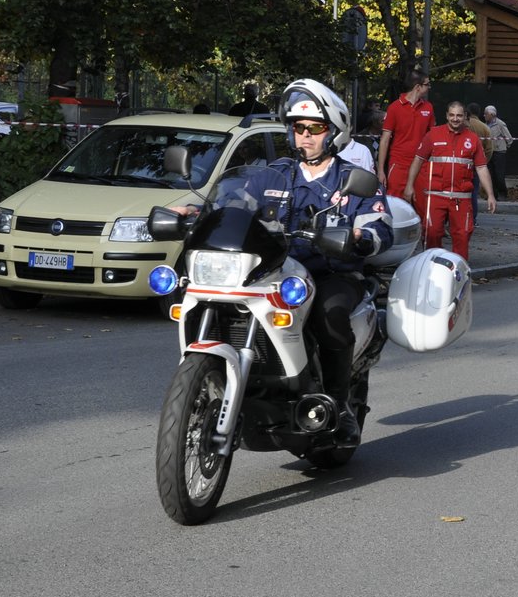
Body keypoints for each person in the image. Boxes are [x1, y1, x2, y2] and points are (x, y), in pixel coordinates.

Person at [178, 79, 392, 444]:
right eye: (298, 128)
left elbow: (379, 224)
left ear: (334, 132)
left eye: (314, 128)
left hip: (331, 273)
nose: (305, 136)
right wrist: (196, 213)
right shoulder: (273, 174)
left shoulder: (351, 180)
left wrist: (360, 236)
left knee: (330, 315)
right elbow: (233, 205)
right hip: (275, 271)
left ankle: (339, 406)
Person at [403, 100, 496, 259]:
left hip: (461, 198)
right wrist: (409, 185)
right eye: (452, 115)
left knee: (462, 236)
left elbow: (481, 167)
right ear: (446, 116)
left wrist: (490, 195)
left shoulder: (473, 139)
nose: (455, 119)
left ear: (465, 117)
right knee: (431, 233)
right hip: (436, 196)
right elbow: (418, 159)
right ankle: (431, 271)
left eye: (459, 115)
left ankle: (459, 275)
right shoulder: (433, 134)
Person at [377, 70, 435, 200]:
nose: (429, 87)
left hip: (421, 163)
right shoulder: (394, 108)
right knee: (396, 205)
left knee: (423, 205)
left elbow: (432, 136)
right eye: (427, 84)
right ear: (417, 87)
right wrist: (381, 170)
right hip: (399, 163)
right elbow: (385, 140)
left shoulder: (428, 107)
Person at [465, 103, 493, 216]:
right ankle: (473, 218)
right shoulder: (485, 128)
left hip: (460, 164)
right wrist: (483, 163)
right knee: (473, 192)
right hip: (476, 165)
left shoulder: (463, 125)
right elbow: (489, 149)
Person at [483, 105, 514, 199]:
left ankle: (502, 194)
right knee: (490, 174)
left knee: (499, 175)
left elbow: (509, 138)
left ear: (492, 114)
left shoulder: (500, 124)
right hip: (489, 152)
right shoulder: (485, 125)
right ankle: (493, 194)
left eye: (486, 114)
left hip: (499, 152)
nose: (484, 115)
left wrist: (504, 146)